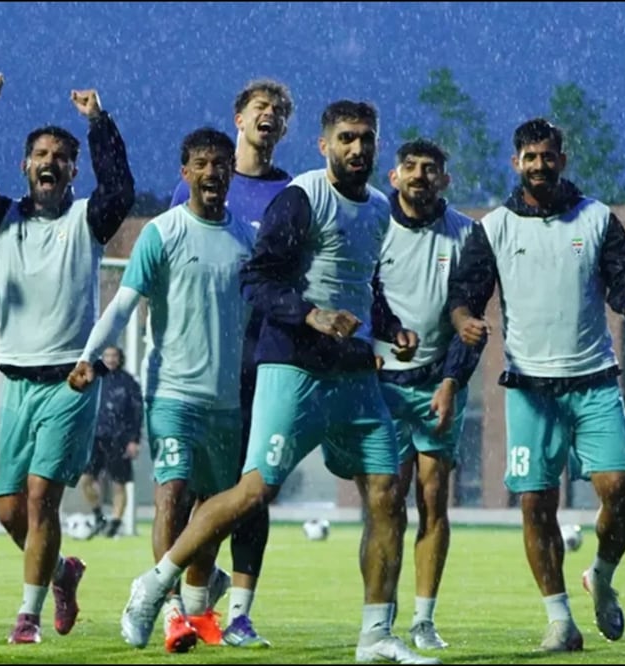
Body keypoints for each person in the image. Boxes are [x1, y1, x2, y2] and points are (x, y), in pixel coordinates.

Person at [117, 101, 441, 666]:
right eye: (346, 138)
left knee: (389, 494)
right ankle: (155, 583)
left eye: (366, 139)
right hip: (292, 367)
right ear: (324, 145)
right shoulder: (301, 197)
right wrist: (312, 315)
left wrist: (392, 330)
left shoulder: (379, 209)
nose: (357, 148)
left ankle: (375, 636)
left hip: (354, 373)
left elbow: (364, 286)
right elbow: (258, 280)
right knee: (253, 492)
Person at [447, 118, 625, 652]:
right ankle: (560, 620)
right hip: (530, 388)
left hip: (594, 380)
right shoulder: (494, 227)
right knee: (535, 503)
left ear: (562, 159)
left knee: (621, 488)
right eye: (530, 157)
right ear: (516, 162)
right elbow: (464, 295)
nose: (539, 165)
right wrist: (464, 321)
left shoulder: (597, 217)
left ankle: (601, 575)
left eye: (548, 156)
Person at [0, 73, 135, 644]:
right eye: (40, 154)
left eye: (60, 156)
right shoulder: (4, 219)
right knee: (10, 511)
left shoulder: (87, 221)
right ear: (25, 166)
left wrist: (98, 123)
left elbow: (121, 189)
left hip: (70, 383)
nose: (49, 162)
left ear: (74, 170)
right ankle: (61, 574)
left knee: (40, 498)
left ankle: (27, 618)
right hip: (17, 384)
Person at [70, 127, 256, 653]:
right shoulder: (163, 232)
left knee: (211, 515)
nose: (212, 172)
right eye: (202, 163)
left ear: (231, 172)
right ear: (185, 173)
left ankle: (196, 606)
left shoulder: (248, 238)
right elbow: (123, 306)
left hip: (226, 400)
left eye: (221, 164)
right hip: (172, 392)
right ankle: (166, 607)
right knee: (171, 493)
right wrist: (88, 356)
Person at [167, 77, 294, 648]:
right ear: (238, 117)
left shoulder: (293, 194)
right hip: (201, 363)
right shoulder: (192, 187)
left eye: (279, 111)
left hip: (263, 363)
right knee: (188, 490)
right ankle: (181, 603)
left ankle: (238, 612)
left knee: (251, 490)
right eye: (260, 106)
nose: (270, 115)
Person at [377, 139, 483, 651]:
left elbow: (470, 317)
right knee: (386, 503)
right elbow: (360, 291)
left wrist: (452, 381)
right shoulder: (373, 224)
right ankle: (381, 618)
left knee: (433, 498)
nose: (420, 175)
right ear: (394, 176)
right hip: (383, 385)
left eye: (430, 168)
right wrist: (371, 345)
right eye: (411, 167)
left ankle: (423, 620)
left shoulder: (466, 233)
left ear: (445, 179)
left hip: (438, 381)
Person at [77, 345, 143, 539]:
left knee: (118, 483)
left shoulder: (128, 382)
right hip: (95, 437)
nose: (111, 359)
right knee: (86, 480)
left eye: (114, 356)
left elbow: (137, 413)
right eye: (107, 356)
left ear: (120, 358)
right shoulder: (94, 378)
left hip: (119, 439)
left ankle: (115, 522)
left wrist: (134, 440)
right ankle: (98, 516)